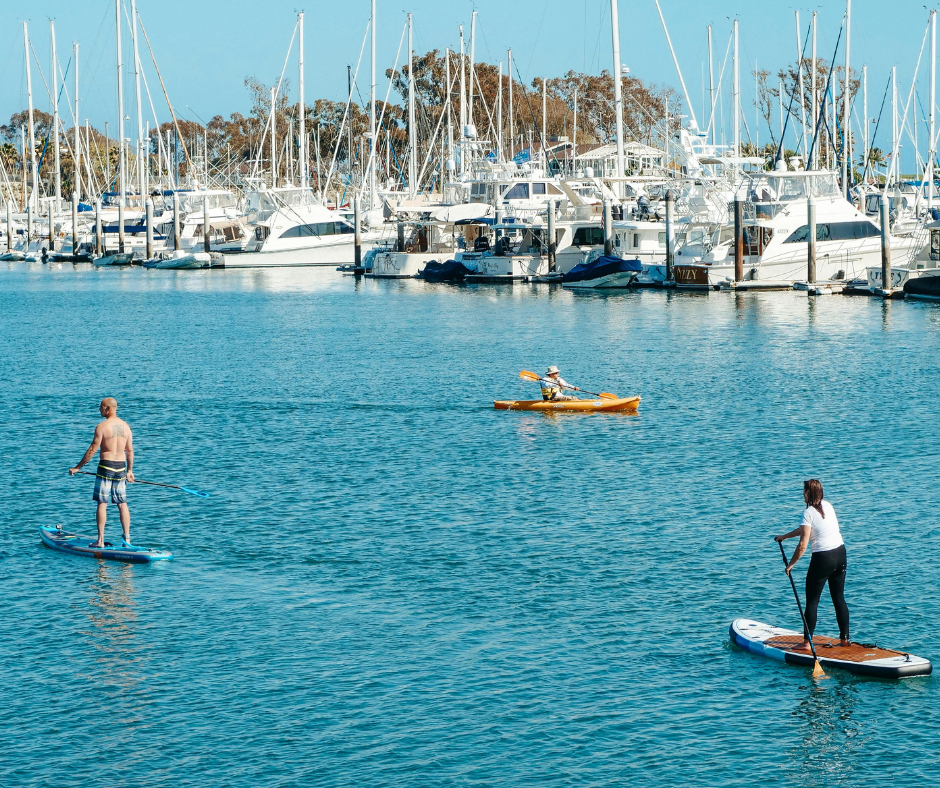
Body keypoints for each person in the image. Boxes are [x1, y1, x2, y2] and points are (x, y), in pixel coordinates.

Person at [775, 479, 850, 649]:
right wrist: (784, 537)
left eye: (804, 491)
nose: (802, 494)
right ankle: (845, 639)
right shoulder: (828, 506)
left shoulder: (808, 512)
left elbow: (803, 545)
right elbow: (806, 529)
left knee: (812, 602)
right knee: (838, 598)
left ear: (808, 493)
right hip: (840, 554)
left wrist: (791, 564)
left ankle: (807, 643)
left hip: (823, 559)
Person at [69, 398, 135, 548]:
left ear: (108, 409)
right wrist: (130, 471)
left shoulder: (102, 427)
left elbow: (93, 449)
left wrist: (78, 467)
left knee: (102, 503)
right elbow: (129, 451)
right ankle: (127, 539)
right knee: (122, 503)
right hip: (121, 467)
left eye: (101, 407)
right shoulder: (125, 427)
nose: (99, 409)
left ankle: (100, 541)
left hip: (106, 467)